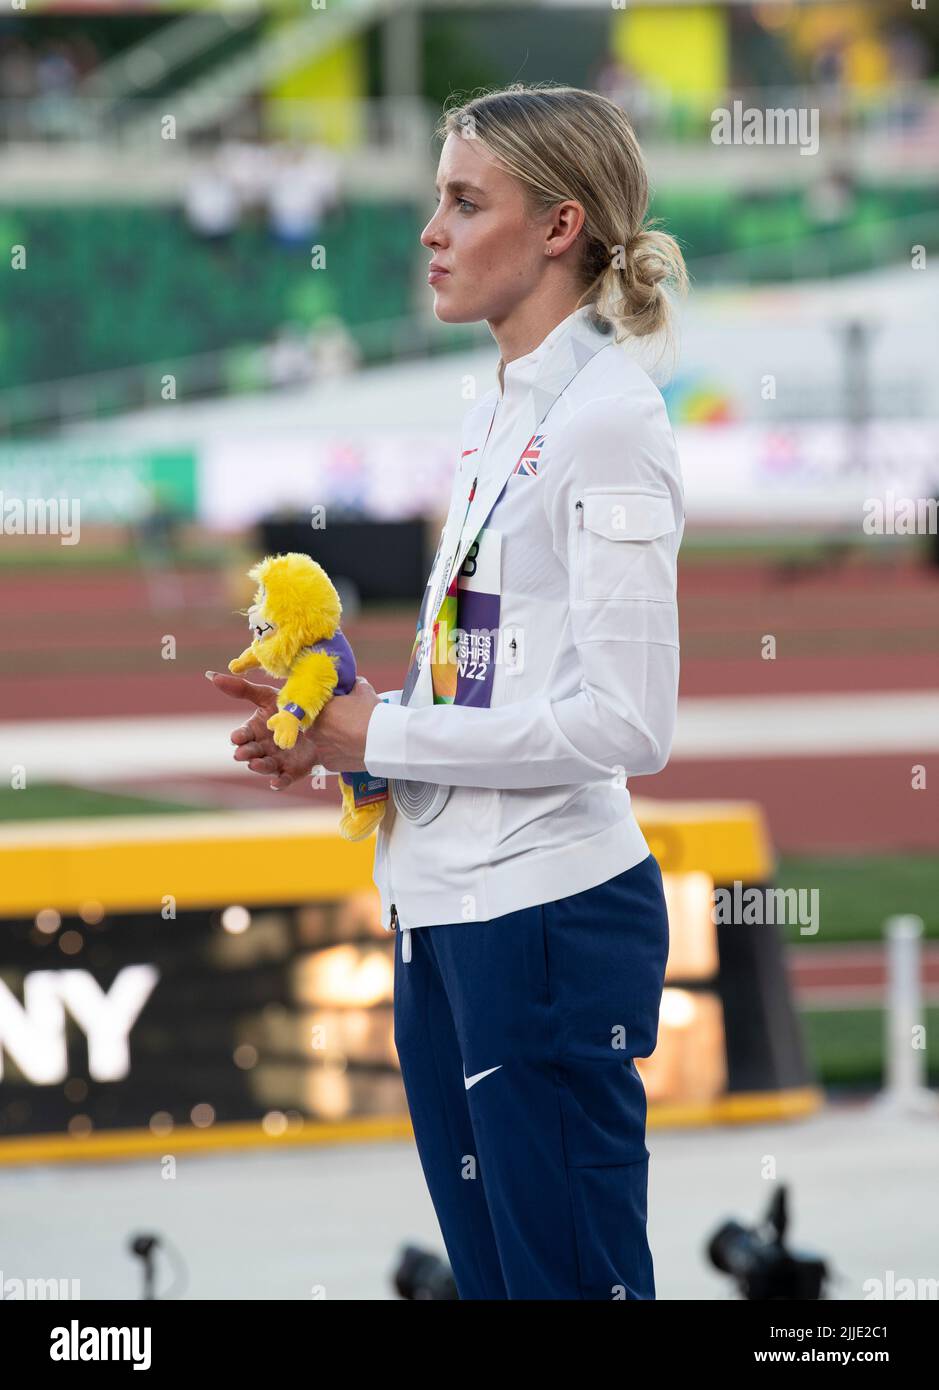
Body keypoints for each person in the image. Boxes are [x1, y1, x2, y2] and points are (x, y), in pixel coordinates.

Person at [207, 81, 686, 1300]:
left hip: (544, 921)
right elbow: (478, 677)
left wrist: (396, 729)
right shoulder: (495, 415)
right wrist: (346, 736)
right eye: (438, 199)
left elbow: (632, 722)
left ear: (560, 226)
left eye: (465, 202)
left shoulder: (610, 420)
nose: (430, 230)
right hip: (446, 915)